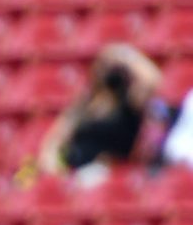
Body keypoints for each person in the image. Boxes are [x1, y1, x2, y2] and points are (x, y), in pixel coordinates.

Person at [35, 44, 166, 180]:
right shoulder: (84, 104)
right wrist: (57, 171)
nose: (105, 70)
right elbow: (55, 141)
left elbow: (153, 80)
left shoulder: (129, 104)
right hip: (75, 173)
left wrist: (124, 55)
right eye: (102, 64)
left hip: (110, 174)